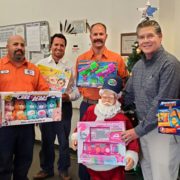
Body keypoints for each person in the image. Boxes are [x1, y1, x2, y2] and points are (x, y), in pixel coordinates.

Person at [122, 19, 180, 180]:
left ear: (160, 37)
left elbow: (162, 104)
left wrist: (136, 131)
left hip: (164, 129)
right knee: (148, 173)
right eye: (141, 37)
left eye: (150, 36)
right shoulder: (138, 66)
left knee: (163, 175)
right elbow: (128, 95)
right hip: (143, 128)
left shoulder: (170, 64)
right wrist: (109, 100)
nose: (145, 40)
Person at [75, 22, 129, 180]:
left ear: (106, 36)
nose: (98, 37)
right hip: (88, 107)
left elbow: (124, 82)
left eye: (101, 34)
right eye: (95, 34)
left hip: (110, 110)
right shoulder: (82, 59)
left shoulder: (116, 59)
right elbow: (78, 84)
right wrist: (86, 91)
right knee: (86, 146)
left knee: (109, 147)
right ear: (90, 36)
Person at [71, 76, 139, 180]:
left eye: (110, 97)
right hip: (93, 162)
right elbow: (81, 127)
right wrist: (76, 139)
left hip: (113, 165)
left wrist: (131, 156)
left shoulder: (122, 118)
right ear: (100, 95)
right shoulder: (91, 111)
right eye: (104, 96)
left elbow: (131, 138)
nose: (106, 100)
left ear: (116, 98)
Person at [0, 35, 49, 180]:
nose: (19, 47)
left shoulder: (34, 69)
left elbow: (44, 91)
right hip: (4, 126)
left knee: (25, 160)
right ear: (7, 47)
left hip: (26, 125)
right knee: (3, 161)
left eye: (22, 45)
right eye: (15, 44)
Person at [33, 33, 80, 180]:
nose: (59, 48)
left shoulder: (70, 67)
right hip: (46, 107)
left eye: (62, 45)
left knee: (64, 141)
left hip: (64, 106)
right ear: (50, 46)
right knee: (47, 140)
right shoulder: (40, 65)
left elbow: (77, 91)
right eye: (56, 45)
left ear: (65, 48)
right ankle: (46, 169)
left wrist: (69, 96)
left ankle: (63, 170)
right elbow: (34, 88)